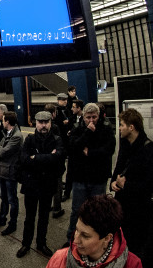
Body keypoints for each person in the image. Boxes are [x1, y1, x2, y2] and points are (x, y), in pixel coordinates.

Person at [110, 108, 153, 257]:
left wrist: (125, 185)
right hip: (121, 207)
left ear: (131, 127)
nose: (119, 128)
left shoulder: (151, 150)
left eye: (121, 125)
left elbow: (150, 186)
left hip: (137, 212)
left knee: (133, 249)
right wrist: (113, 183)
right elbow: (118, 169)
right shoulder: (126, 145)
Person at [64, 103, 116, 246]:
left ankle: (96, 239)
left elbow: (109, 150)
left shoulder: (105, 129)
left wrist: (89, 152)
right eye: (88, 117)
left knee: (97, 211)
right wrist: (87, 132)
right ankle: (71, 239)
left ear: (99, 116)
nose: (92, 121)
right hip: (80, 177)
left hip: (98, 178)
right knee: (77, 210)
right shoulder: (78, 128)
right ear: (84, 117)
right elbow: (72, 148)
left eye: (94, 117)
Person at [16, 111, 64, 258]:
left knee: (44, 216)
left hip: (47, 186)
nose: (43, 125)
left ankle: (41, 243)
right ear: (35, 123)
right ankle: (26, 243)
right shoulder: (29, 139)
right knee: (29, 217)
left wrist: (35, 158)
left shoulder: (57, 140)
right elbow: (23, 159)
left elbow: (59, 161)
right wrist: (49, 157)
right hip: (31, 185)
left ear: (50, 123)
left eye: (46, 122)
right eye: (40, 122)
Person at [47, 195, 142, 268]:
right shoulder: (59, 259)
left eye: (85, 235)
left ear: (107, 238)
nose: (75, 241)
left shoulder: (133, 264)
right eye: (76, 230)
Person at [0, 111, 22, 236]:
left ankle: (12, 224)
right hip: (3, 170)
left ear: (7, 122)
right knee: (3, 197)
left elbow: (1, 151)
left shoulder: (17, 136)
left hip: (11, 172)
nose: (2, 122)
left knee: (12, 199)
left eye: (3, 120)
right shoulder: (7, 133)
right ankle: (2, 218)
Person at [45, 103, 67, 219]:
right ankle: (57, 209)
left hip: (46, 161)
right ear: (53, 113)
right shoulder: (55, 127)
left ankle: (48, 205)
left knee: (48, 185)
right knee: (57, 186)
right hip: (56, 162)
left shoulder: (41, 127)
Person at [63, 100, 85, 201]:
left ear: (79, 108)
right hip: (72, 151)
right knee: (69, 173)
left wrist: (72, 133)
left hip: (81, 152)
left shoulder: (85, 120)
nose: (71, 109)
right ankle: (67, 193)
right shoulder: (72, 119)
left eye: (73, 107)